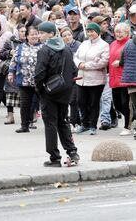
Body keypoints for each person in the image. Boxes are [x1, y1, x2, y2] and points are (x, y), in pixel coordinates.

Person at [34, 21, 79, 167]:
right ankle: (72, 152)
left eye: (42, 33)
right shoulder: (66, 48)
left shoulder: (45, 50)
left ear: (51, 34)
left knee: (50, 124)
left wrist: (39, 88)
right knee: (63, 121)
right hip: (65, 91)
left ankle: (55, 157)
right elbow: (74, 70)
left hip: (50, 92)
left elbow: (39, 74)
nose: (39, 35)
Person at [73, 23, 109, 135]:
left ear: (97, 32)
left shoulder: (104, 45)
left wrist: (87, 66)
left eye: (92, 31)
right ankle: (85, 123)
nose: (90, 33)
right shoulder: (84, 43)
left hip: (96, 79)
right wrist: (79, 64)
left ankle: (93, 125)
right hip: (81, 78)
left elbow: (103, 61)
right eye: (88, 31)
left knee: (93, 103)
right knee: (81, 101)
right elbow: (76, 56)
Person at [0, 24, 27, 124]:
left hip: (26, 72)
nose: (24, 33)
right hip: (12, 70)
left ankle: (30, 117)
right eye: (22, 31)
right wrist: (10, 52)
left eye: (25, 31)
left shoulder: (30, 42)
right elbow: (1, 54)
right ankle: (10, 116)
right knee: (10, 92)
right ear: (17, 32)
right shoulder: (11, 41)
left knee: (26, 95)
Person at [108, 23, 132, 136]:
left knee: (125, 103)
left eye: (120, 32)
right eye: (116, 31)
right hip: (114, 77)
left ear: (127, 33)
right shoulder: (112, 44)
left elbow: (133, 59)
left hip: (125, 77)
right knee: (117, 104)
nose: (117, 34)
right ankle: (133, 117)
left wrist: (121, 62)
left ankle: (127, 126)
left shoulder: (129, 44)